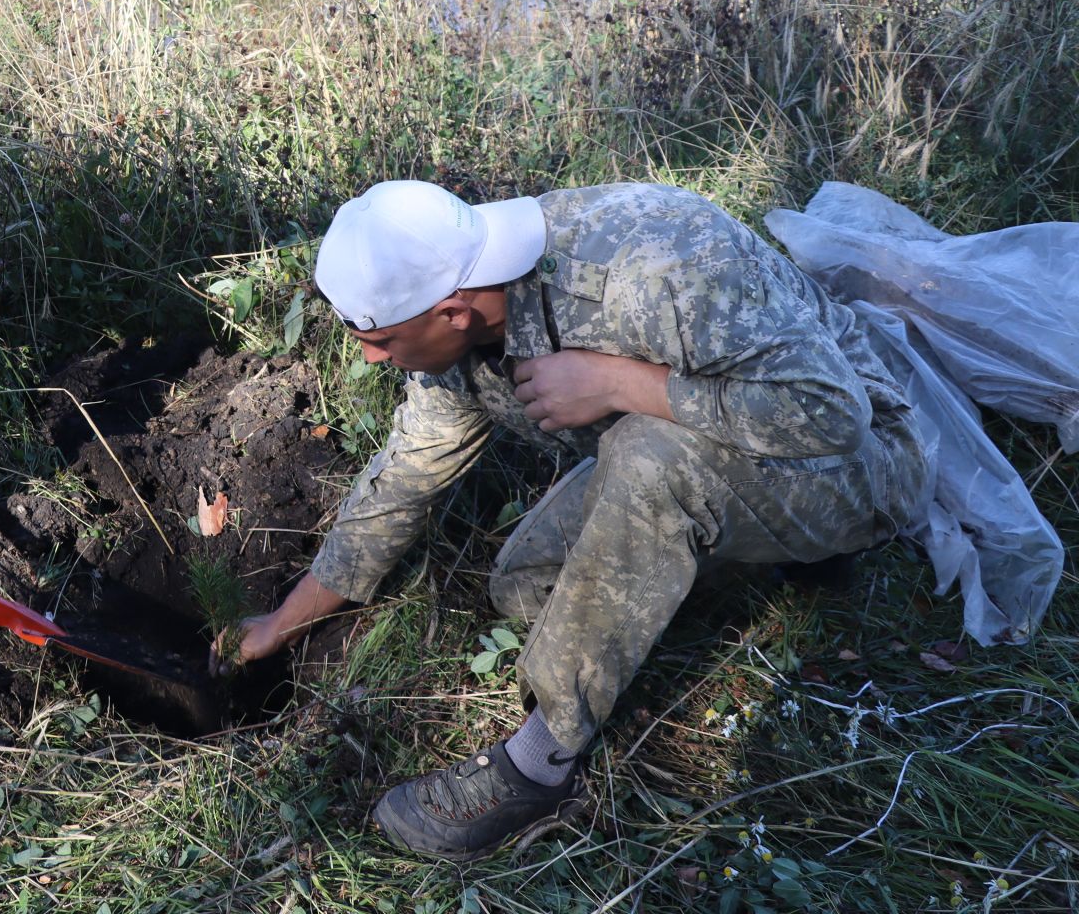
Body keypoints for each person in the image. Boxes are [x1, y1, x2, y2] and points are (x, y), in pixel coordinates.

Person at [216, 180, 929, 859]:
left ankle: (539, 769)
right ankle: (764, 554)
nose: (371, 358)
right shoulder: (455, 315)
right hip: (724, 447)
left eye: (383, 341)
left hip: (858, 465)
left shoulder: (652, 268)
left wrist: (621, 383)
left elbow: (833, 415)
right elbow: (405, 479)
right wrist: (284, 622)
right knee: (526, 586)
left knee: (648, 456)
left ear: (452, 312)